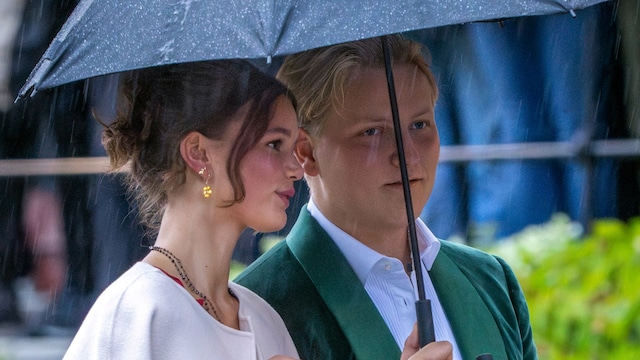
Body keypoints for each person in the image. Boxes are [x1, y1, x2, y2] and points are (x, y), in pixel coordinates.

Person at [235, 35, 537, 359]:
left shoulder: (491, 281)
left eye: (419, 125)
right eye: (372, 132)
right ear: (306, 152)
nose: (407, 155)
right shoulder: (256, 310)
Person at [63, 60, 303, 359]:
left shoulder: (266, 319)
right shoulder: (137, 312)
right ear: (198, 153)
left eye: (294, 147)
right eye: (274, 144)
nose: (297, 169)